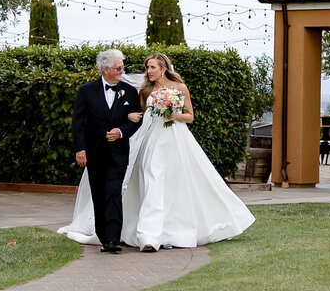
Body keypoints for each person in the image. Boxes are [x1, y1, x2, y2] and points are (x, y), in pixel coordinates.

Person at [61, 52, 255, 249]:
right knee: (152, 178)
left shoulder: (180, 88)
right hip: (153, 140)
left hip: (176, 139)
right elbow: (139, 114)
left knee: (182, 183)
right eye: (147, 67)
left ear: (163, 68)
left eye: (152, 67)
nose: (148, 71)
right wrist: (129, 120)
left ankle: (174, 229)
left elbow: (190, 116)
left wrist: (173, 114)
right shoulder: (145, 90)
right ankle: (149, 236)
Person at [66, 49, 143, 253]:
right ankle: (103, 238)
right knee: (99, 195)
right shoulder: (87, 91)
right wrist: (80, 149)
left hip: (118, 153)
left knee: (113, 194)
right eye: (118, 68)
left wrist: (121, 131)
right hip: (94, 152)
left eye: (122, 68)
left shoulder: (129, 92)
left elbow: (136, 120)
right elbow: (78, 123)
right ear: (106, 69)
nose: (122, 71)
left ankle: (113, 239)